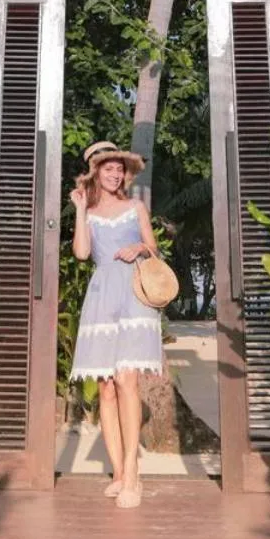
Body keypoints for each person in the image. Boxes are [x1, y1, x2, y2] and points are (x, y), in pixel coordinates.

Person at [68, 139, 163, 510]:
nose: (115, 173)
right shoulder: (88, 209)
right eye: (108, 168)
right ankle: (119, 472)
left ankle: (133, 475)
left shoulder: (135, 206)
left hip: (134, 292)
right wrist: (78, 210)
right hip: (102, 295)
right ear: (95, 172)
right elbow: (81, 253)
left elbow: (153, 247)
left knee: (127, 379)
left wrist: (139, 248)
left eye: (119, 168)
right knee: (105, 386)